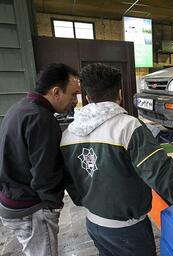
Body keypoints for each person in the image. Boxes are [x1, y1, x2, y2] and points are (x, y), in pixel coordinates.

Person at [60, 63, 173, 256]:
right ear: (120, 95)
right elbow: (163, 176)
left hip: (94, 225)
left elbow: (71, 182)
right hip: (127, 231)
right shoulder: (127, 127)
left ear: (87, 98)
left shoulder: (68, 134)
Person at [0, 63, 80, 256]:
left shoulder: (20, 108)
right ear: (56, 92)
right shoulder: (41, 118)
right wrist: (53, 204)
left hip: (11, 199)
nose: (75, 101)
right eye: (73, 94)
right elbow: (45, 173)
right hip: (30, 208)